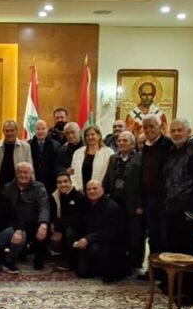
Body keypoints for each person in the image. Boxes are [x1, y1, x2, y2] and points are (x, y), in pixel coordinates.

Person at [160, 118, 193, 303]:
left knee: (187, 252)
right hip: (171, 208)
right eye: (173, 131)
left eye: (180, 130)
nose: (176, 134)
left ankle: (189, 292)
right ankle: (175, 287)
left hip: (187, 211)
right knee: (173, 249)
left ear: (188, 132)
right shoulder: (172, 151)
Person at [105, 131, 145, 273]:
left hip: (133, 202)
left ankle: (135, 262)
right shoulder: (113, 158)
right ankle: (122, 260)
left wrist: (140, 204)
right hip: (116, 200)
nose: (121, 143)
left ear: (133, 144)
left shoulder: (140, 159)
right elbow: (108, 178)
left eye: (125, 141)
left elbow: (143, 184)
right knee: (119, 231)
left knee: (134, 233)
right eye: (120, 141)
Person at [73, 180, 128, 282]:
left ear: (102, 189)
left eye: (95, 188)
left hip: (110, 244)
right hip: (93, 239)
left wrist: (88, 239)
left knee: (94, 250)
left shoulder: (112, 207)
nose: (92, 191)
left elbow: (112, 231)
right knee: (81, 272)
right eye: (89, 189)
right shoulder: (87, 204)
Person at [139, 114, 173, 273]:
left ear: (160, 127)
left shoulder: (168, 145)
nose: (148, 130)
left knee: (164, 237)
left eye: (152, 126)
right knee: (153, 236)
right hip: (149, 198)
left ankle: (164, 272)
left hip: (164, 199)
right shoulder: (145, 146)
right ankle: (154, 270)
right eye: (145, 127)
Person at [2, 162, 50, 270]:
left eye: (26, 172)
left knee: (43, 227)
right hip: (14, 224)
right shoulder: (8, 188)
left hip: (33, 223)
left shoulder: (39, 187)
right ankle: (10, 260)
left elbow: (44, 207)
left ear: (31, 174)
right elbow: (5, 210)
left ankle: (38, 258)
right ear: (16, 173)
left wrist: (43, 224)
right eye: (20, 172)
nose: (23, 175)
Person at [50, 172, 84, 270]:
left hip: (76, 230)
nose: (63, 184)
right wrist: (54, 230)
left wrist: (57, 224)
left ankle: (70, 262)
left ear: (70, 182)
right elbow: (51, 216)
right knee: (53, 240)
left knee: (70, 231)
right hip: (59, 229)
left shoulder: (79, 197)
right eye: (59, 182)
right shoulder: (53, 197)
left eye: (65, 181)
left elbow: (76, 220)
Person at [70, 125, 113, 192]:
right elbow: (73, 173)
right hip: (81, 191)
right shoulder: (78, 153)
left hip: (100, 191)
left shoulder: (108, 152)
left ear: (99, 136)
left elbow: (110, 174)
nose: (90, 137)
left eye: (93, 134)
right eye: (87, 135)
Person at [0, 120, 32, 187]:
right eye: (7, 131)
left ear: (16, 131)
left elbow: (30, 168)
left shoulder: (25, 147)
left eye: (12, 130)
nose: (9, 133)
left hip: (18, 186)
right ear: (3, 131)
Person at [29, 119, 61, 192]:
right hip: (33, 182)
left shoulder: (56, 145)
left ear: (47, 130)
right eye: (38, 129)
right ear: (34, 130)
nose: (40, 131)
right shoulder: (28, 145)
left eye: (43, 129)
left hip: (50, 183)